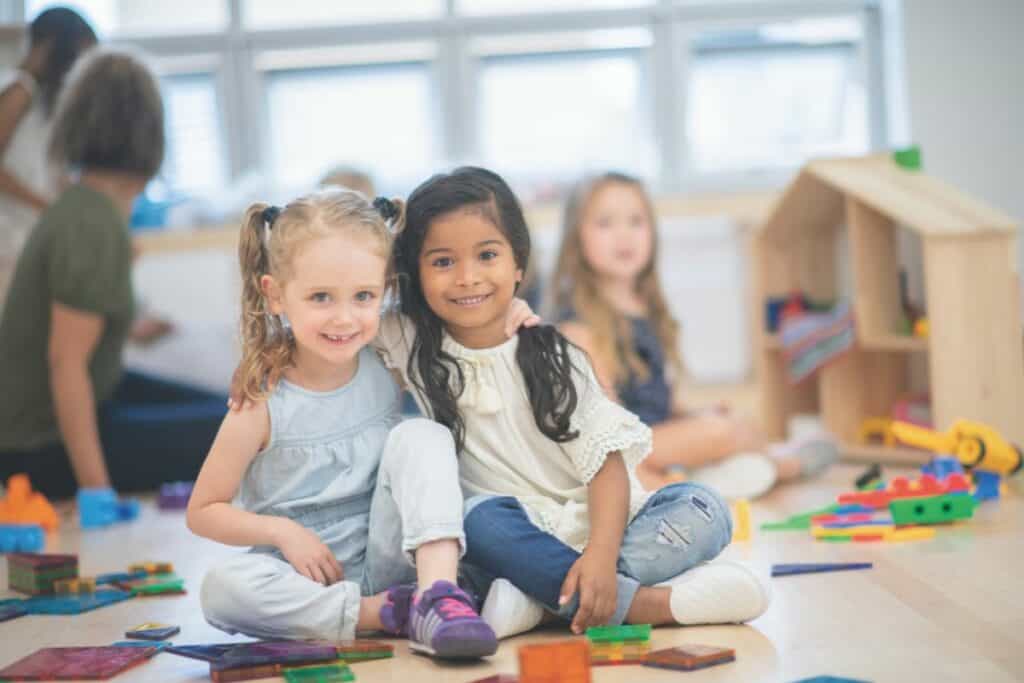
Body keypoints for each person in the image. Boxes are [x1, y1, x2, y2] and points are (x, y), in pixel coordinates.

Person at [375, 167, 771, 640]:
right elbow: (347, 294)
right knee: (471, 521)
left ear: (519, 264)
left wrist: (601, 559)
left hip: (602, 529)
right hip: (511, 536)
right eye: (441, 262)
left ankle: (543, 601)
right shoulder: (410, 340)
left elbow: (606, 463)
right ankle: (642, 603)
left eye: (487, 255)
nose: (467, 277)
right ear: (413, 273)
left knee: (706, 508)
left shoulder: (552, 352)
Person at [190, 189, 499, 658]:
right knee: (221, 588)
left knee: (421, 434)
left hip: (394, 551)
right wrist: (282, 533)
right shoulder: (260, 403)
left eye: (363, 296)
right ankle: (382, 613)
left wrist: (513, 310)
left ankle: (439, 595)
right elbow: (203, 510)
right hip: (305, 576)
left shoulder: (386, 356)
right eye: (319, 297)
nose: (344, 318)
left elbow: (466, 323)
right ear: (275, 295)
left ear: (384, 290)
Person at [0, 48, 224, 499]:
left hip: (82, 405)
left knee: (234, 412)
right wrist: (96, 491)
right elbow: (66, 366)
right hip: (37, 449)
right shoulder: (92, 223)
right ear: (149, 133)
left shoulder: (86, 206)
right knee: (236, 429)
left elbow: (79, 328)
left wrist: (135, 327)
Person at [551, 172, 837, 499]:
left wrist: (693, 414)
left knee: (735, 422)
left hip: (651, 442)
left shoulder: (645, 308)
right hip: (620, 450)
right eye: (605, 223)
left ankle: (706, 480)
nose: (624, 236)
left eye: (636, 222)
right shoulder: (578, 329)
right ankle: (782, 465)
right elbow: (604, 433)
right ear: (576, 238)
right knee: (722, 433)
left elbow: (657, 399)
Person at [0, 7, 96, 306]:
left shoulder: (40, 101)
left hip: (28, 235)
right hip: (10, 237)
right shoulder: (19, 90)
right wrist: (46, 206)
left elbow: (42, 169)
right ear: (52, 47)